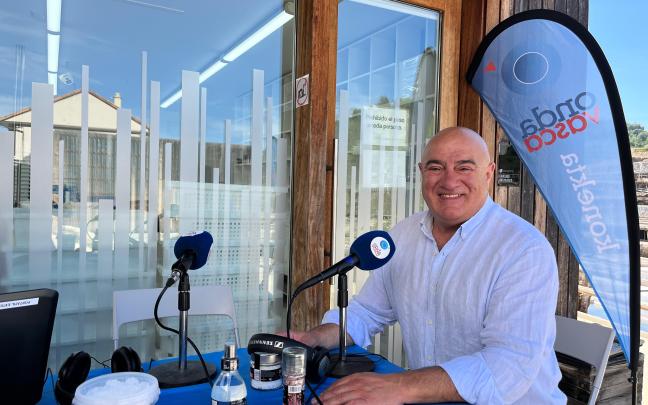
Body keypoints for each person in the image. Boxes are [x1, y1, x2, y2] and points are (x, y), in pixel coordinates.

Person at [290, 127, 566, 404]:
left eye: (464, 167)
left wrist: (399, 386)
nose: (449, 181)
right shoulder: (403, 235)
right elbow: (368, 312)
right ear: (422, 172)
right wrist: (314, 339)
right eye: (436, 168)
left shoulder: (524, 249)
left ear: (488, 173)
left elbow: (506, 365)